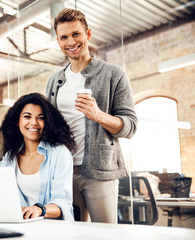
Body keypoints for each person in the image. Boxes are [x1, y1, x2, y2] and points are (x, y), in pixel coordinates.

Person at [46, 8, 138, 223]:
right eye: (64, 37)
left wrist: (98, 115)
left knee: (104, 234)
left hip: (99, 171)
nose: (71, 42)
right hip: (63, 171)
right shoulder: (53, 81)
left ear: (88, 34)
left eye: (76, 34)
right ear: (59, 41)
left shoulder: (113, 74)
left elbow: (131, 126)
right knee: (70, 233)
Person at [0, 93, 75, 221]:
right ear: (17, 121)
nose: (34, 123)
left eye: (40, 118)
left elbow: (63, 204)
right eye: (27, 116)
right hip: (20, 226)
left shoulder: (60, 154)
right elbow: (0, 194)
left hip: (52, 229)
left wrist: (39, 209)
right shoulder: (9, 158)